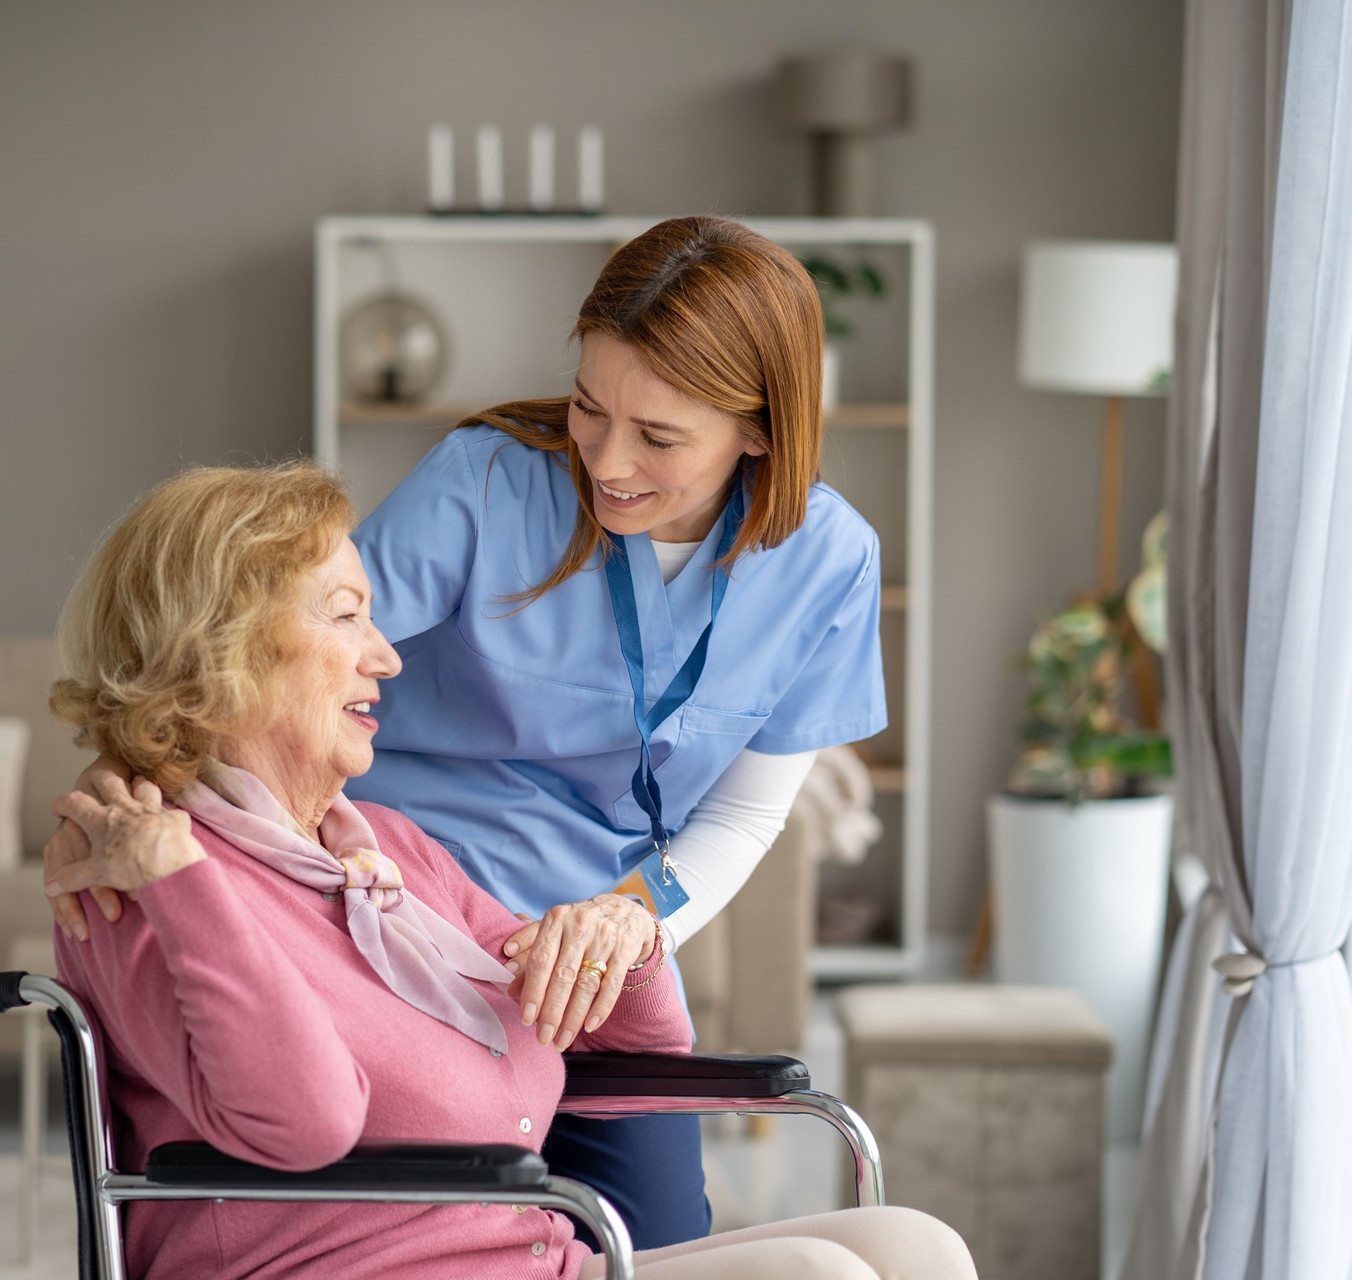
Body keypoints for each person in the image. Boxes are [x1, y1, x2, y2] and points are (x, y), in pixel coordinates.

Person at [48, 216, 887, 1247]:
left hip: (590, 946)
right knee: (424, 1231)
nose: (607, 460)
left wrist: (630, 923)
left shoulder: (829, 562)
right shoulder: (488, 482)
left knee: (660, 1234)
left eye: (659, 437)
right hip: (400, 904)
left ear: (759, 431)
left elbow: (747, 813)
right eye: (589, 407)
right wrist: (120, 785)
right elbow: (270, 648)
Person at [46, 461, 971, 1280]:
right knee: (817, 1275)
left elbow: (635, 1046)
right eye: (348, 615)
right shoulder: (138, 888)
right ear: (222, 651)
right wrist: (182, 880)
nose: (388, 655)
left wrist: (620, 937)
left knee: (914, 1246)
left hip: (533, 1260)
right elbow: (306, 1122)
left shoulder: (386, 849)